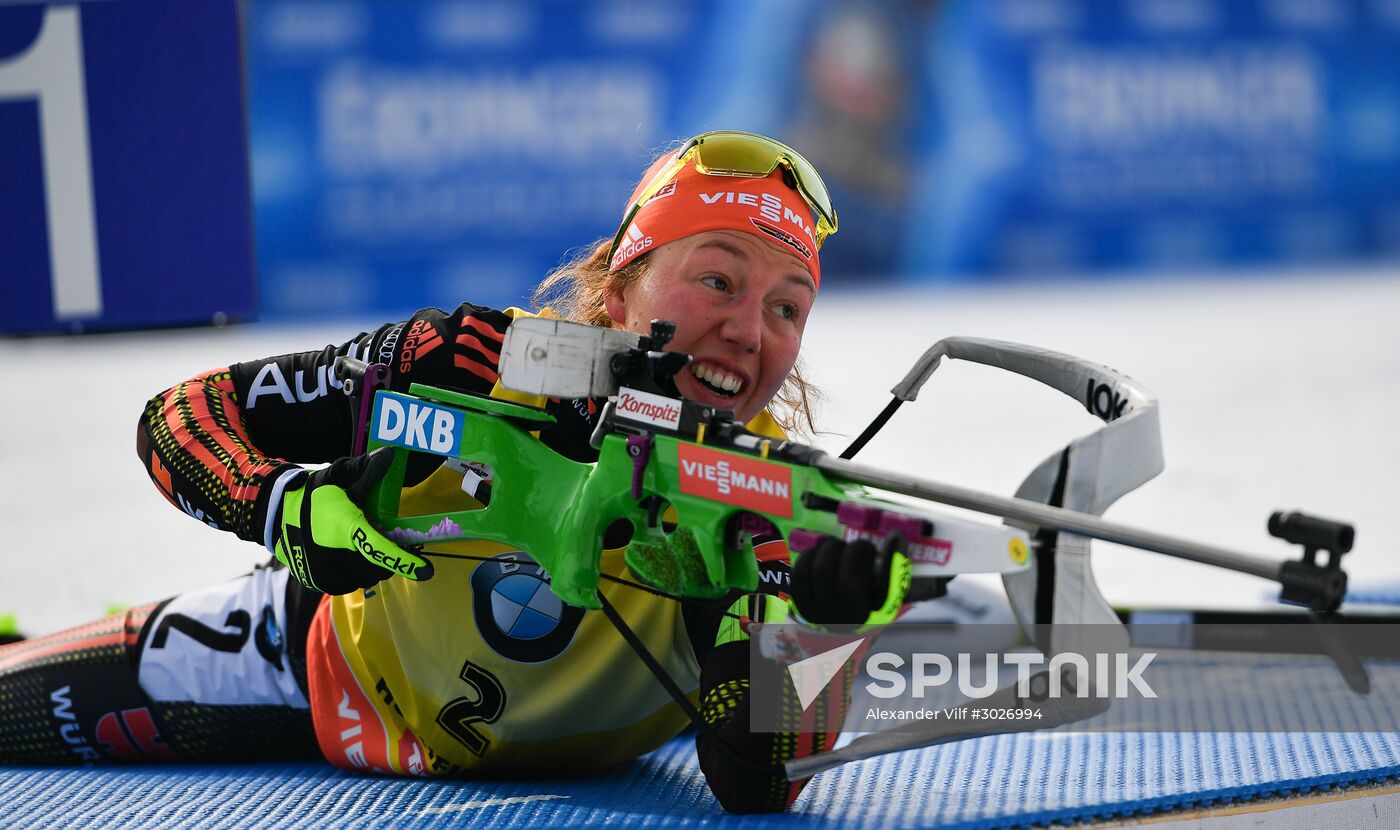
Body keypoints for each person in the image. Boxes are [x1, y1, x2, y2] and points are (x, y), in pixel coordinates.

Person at [0, 131, 890, 812]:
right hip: (308, 665)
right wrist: (286, 508)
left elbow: (755, 781)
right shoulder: (481, 361)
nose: (749, 331)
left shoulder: (771, 500)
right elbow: (183, 419)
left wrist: (822, 629)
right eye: (719, 281)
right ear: (620, 291)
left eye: (787, 307)